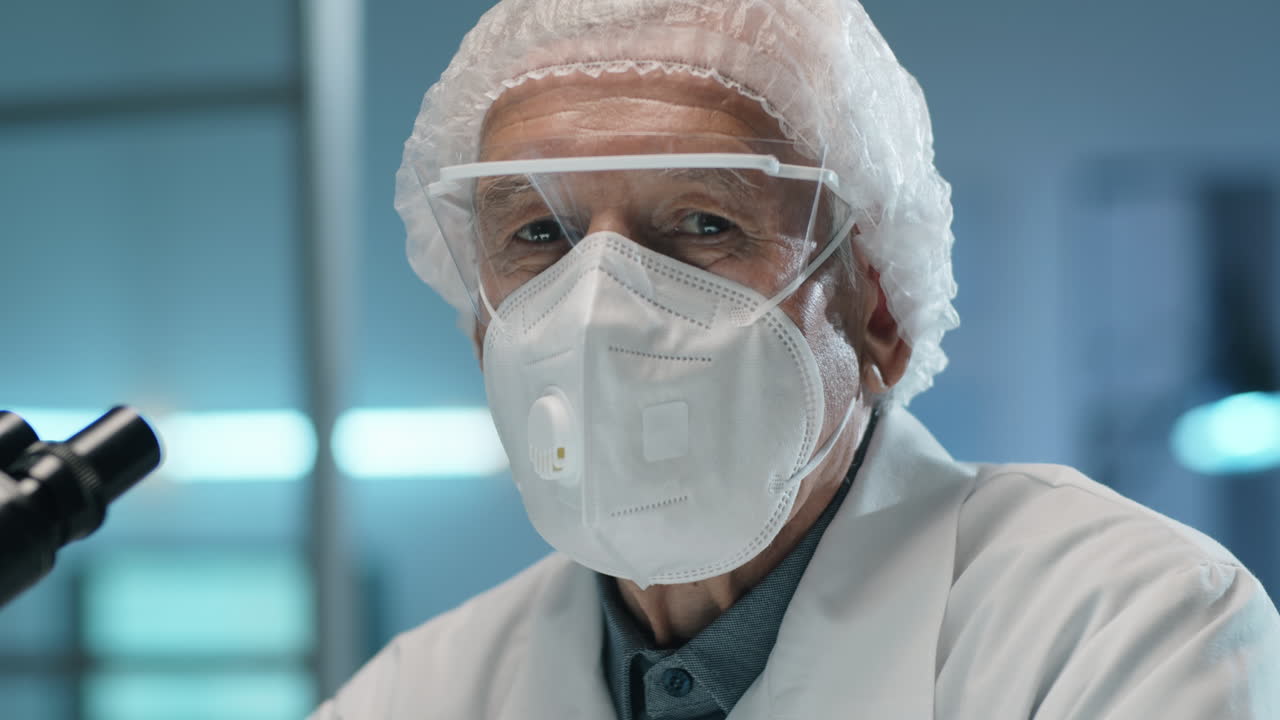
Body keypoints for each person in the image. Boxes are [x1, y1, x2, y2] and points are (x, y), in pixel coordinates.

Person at [311, 1, 1280, 717]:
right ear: (480, 323)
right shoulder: (411, 695)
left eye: (701, 222)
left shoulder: (1117, 633)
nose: (598, 309)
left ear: (877, 311)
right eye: (537, 236)